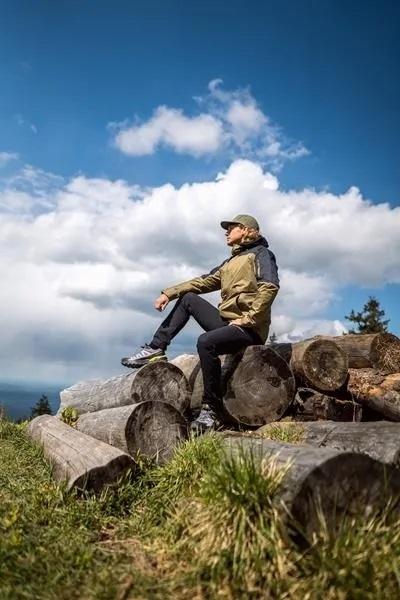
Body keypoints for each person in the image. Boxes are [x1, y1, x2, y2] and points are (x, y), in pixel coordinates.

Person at [121, 214, 279, 424]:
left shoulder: (262, 254)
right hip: (229, 323)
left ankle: (211, 409)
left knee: (206, 341)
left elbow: (269, 286)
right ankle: (156, 348)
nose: (226, 232)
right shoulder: (231, 262)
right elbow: (203, 282)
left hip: (249, 329)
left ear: (245, 229)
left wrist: (248, 319)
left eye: (231, 228)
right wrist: (169, 293)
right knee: (188, 298)